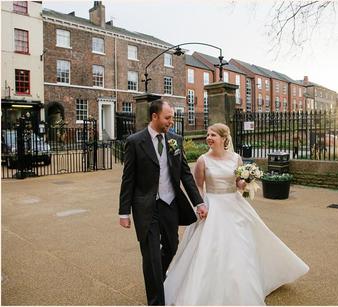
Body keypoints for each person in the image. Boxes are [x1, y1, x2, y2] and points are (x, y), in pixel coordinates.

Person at [164, 123, 309, 305]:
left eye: (213, 135)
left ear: (224, 138)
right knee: (210, 247)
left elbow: (239, 184)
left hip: (234, 204)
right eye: (208, 134)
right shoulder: (203, 160)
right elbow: (198, 186)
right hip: (213, 206)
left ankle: (243, 285)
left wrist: (246, 181)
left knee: (242, 243)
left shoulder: (236, 158)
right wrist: (201, 205)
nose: (209, 138)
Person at [118, 100, 208, 306]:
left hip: (169, 203)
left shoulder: (175, 139)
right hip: (145, 206)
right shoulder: (135, 141)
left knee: (172, 246)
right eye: (168, 118)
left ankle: (159, 277)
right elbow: (128, 179)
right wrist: (124, 212)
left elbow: (185, 174)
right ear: (154, 117)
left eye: (172, 117)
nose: (171, 122)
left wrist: (199, 203)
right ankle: (157, 301)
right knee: (151, 257)